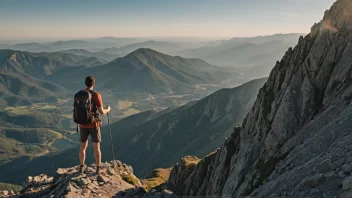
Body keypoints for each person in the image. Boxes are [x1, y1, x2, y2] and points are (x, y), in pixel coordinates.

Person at [78, 76, 111, 175]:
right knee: (96, 146)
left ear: (85, 83)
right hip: (93, 124)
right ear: (93, 84)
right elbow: (101, 112)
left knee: (83, 146)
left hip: (82, 124)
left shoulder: (79, 94)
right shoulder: (96, 95)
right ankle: (97, 168)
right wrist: (108, 109)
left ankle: (81, 166)